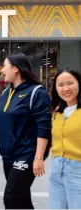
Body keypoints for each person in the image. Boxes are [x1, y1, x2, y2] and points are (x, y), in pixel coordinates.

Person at [0, 52, 52, 209]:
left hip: (27, 154)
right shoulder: (6, 92)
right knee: (21, 199)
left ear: (16, 69)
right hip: (8, 154)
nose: (2, 70)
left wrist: (38, 157)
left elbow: (44, 127)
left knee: (11, 197)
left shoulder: (36, 93)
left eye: (5, 66)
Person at [49, 67, 81, 209]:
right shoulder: (57, 113)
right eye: (60, 85)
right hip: (57, 167)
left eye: (70, 83)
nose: (66, 89)